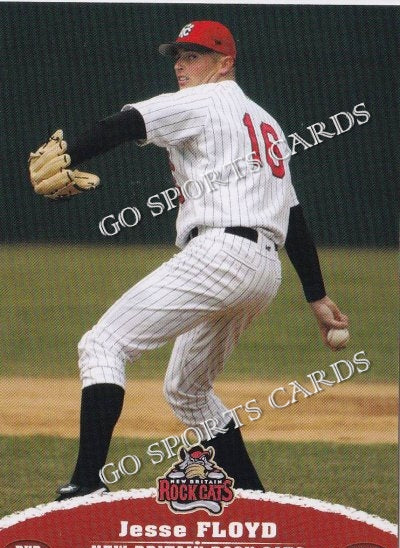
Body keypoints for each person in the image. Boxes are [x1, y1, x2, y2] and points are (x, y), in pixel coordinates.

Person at [28, 21, 349, 500]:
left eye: (195, 54)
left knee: (103, 345)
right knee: (188, 391)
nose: (181, 63)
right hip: (263, 269)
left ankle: (85, 484)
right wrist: (317, 296)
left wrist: (72, 151)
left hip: (220, 253)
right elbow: (293, 214)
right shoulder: (265, 122)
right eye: (178, 54)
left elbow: (130, 122)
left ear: (225, 63)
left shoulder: (206, 99)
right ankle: (257, 500)